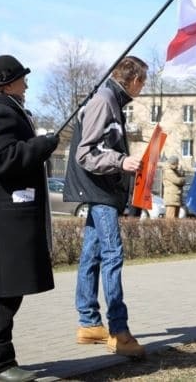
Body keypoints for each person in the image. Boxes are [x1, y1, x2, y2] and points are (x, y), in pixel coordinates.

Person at [0, 55, 59, 382]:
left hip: (3, 215)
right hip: (9, 216)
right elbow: (1, 159)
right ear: (6, 83)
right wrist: (41, 147)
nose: (27, 85)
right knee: (6, 290)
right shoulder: (0, 113)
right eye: (22, 79)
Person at [68, 56, 148, 357]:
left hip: (104, 191)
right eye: (144, 82)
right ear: (134, 80)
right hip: (100, 191)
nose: (143, 88)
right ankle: (119, 331)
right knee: (113, 255)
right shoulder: (104, 100)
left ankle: (89, 322)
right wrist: (121, 161)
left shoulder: (112, 99)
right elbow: (84, 154)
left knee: (92, 253)